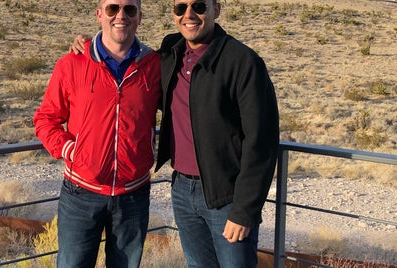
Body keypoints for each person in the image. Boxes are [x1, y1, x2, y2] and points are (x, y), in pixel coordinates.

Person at [70, 0, 279, 267]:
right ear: (173, 14)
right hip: (181, 189)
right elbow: (129, 61)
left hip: (226, 196)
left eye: (199, 6)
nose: (189, 15)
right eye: (181, 7)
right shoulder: (171, 50)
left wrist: (245, 211)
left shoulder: (242, 61)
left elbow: (262, 141)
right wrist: (91, 44)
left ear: (217, 9)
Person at [33, 0, 161, 266]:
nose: (121, 16)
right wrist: (72, 151)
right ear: (99, 14)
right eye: (113, 9)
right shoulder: (72, 64)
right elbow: (46, 120)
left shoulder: (154, 65)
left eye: (129, 9)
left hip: (133, 195)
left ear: (140, 16)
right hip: (81, 191)